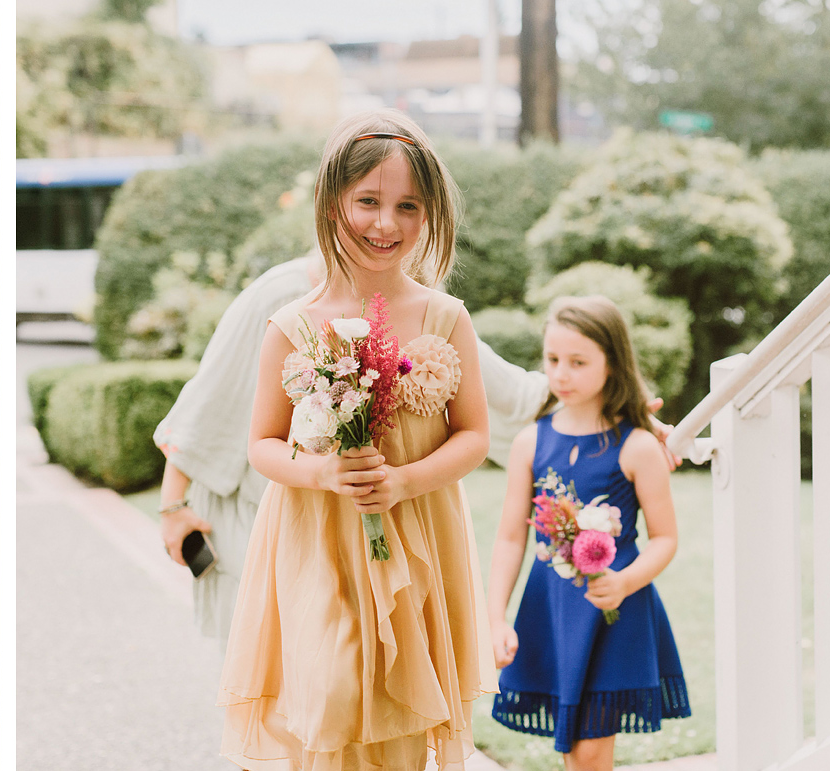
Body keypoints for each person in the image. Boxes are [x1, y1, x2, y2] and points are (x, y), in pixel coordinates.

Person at [219, 109, 495, 770]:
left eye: (407, 206)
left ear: (429, 216)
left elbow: (475, 435)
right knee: (331, 692)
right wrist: (323, 474)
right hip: (317, 540)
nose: (386, 224)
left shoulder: (444, 317)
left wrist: (401, 480)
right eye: (368, 202)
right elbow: (261, 444)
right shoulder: (291, 325)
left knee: (398, 719)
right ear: (331, 203)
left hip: (416, 535)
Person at [155, 255, 552, 644]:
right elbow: (208, 402)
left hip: (393, 520)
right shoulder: (280, 298)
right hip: (271, 506)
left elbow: (502, 394)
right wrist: (173, 504)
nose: (385, 227)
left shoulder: (429, 308)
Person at [486, 296, 690, 771]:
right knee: (571, 752)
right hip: (552, 610)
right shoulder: (530, 442)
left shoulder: (637, 447)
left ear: (612, 364)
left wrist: (625, 580)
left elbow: (665, 538)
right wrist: (496, 617)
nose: (561, 374)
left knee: (592, 751)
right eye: (553, 360)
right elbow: (511, 537)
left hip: (614, 610)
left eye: (578, 362)